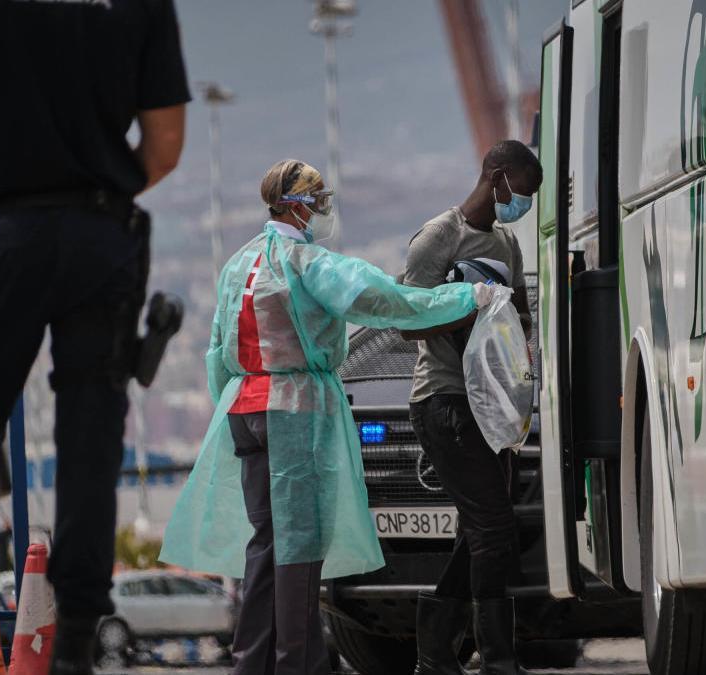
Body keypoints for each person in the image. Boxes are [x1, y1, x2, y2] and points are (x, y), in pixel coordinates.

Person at [0, 1, 189, 672]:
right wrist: (91, 176)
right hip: (101, 237)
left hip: (4, 236)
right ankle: (72, 650)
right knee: (91, 444)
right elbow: (163, 146)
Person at [160, 159, 493, 675]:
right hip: (294, 412)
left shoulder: (237, 265)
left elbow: (218, 353)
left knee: (265, 545)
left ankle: (253, 663)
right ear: (299, 206)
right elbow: (385, 302)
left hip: (244, 407)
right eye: (319, 202)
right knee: (299, 547)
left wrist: (239, 401)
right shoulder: (307, 263)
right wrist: (463, 297)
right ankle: (300, 664)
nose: (323, 212)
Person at [401, 140, 542, 675]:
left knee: (484, 531)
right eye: (523, 193)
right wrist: (470, 309)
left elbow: (520, 317)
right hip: (443, 401)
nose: (522, 204)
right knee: (493, 528)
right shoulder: (439, 238)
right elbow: (406, 321)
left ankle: (436, 654)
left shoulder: (506, 245)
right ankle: (496, 658)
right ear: (499, 178)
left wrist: (511, 335)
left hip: (493, 406)